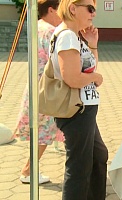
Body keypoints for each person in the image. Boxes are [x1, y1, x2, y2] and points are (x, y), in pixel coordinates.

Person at [54, 0, 108, 199]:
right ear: (73, 8)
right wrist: (96, 78)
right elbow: (73, 78)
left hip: (85, 109)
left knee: (98, 156)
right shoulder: (67, 36)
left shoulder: (76, 36)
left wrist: (92, 45)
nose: (94, 14)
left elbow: (89, 68)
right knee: (79, 168)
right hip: (77, 110)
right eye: (90, 8)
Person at [15, 0, 63, 184]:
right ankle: (28, 171)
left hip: (36, 85)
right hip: (47, 88)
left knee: (42, 129)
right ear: (51, 10)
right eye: (59, 10)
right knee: (44, 130)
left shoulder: (37, 27)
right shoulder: (52, 31)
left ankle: (28, 170)